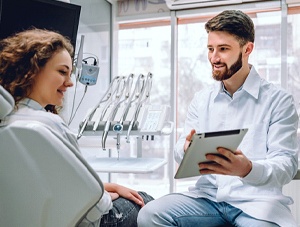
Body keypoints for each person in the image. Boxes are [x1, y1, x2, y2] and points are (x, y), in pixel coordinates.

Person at [137, 10, 299, 227]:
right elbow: (179, 150)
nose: (214, 58)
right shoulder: (202, 99)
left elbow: (286, 165)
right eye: (210, 49)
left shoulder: (279, 101)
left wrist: (247, 169)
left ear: (247, 49)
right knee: (150, 215)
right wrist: (186, 148)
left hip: (257, 203)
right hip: (208, 199)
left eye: (223, 49)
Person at [0, 28, 154, 227]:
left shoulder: (9, 122)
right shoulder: (47, 125)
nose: (70, 83)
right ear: (33, 69)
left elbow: (50, 185)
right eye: (62, 72)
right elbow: (96, 206)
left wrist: (110, 186)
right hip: (88, 221)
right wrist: (108, 195)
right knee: (146, 201)